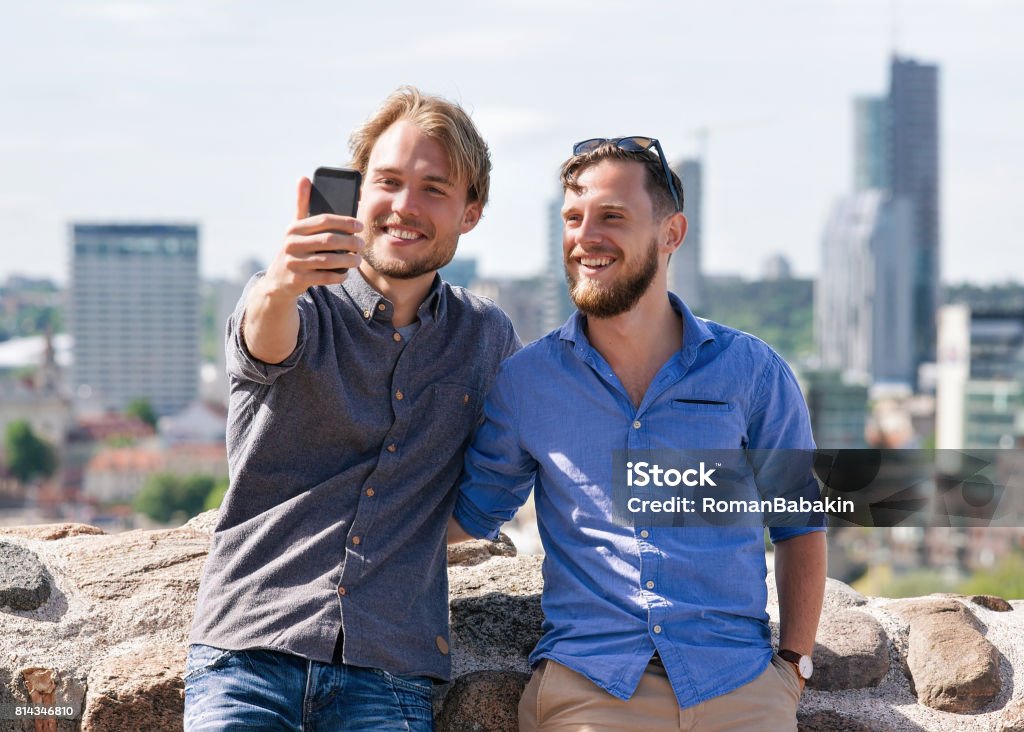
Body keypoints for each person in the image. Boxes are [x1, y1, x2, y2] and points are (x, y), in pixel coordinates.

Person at [449, 137, 826, 731]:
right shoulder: (526, 382)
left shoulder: (752, 371)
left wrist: (793, 667)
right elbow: (469, 519)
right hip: (591, 695)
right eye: (573, 218)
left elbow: (800, 522)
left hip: (740, 689)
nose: (585, 237)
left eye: (612, 217)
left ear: (671, 233)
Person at [185, 86, 519, 731]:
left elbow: (518, 459)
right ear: (357, 191)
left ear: (470, 213)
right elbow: (265, 339)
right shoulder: (295, 300)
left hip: (390, 666)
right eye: (388, 181)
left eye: (434, 189)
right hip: (249, 647)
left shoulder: (486, 337)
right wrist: (282, 284)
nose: (404, 207)